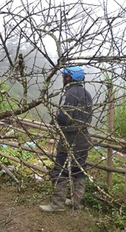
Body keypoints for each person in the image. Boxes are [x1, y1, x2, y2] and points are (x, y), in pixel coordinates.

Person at [40, 66, 93, 212]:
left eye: (64, 77)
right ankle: (77, 201)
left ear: (69, 78)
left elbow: (63, 117)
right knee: (79, 169)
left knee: (60, 169)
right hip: (83, 136)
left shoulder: (68, 94)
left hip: (69, 137)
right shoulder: (87, 94)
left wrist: (54, 123)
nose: (62, 79)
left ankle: (57, 205)